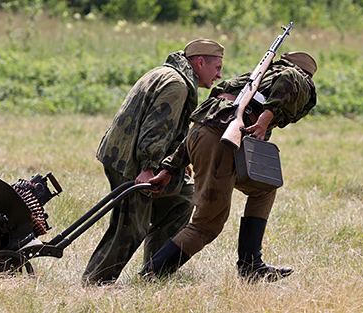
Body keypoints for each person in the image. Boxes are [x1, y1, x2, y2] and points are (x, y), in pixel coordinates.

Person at [141, 51, 318, 282]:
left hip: (203, 137)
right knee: (207, 224)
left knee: (264, 188)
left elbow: (205, 124)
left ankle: (250, 265)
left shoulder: (254, 80)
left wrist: (170, 168)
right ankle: (151, 275)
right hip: (220, 142)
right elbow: (290, 79)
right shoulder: (293, 76)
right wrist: (264, 120)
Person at [82, 39, 225, 285]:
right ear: (200, 62)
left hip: (129, 155)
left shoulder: (168, 74)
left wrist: (174, 160)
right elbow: (155, 130)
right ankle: (96, 281)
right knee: (130, 227)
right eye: (217, 68)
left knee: (182, 200)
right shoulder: (177, 85)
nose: (220, 75)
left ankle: (155, 273)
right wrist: (148, 168)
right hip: (132, 162)